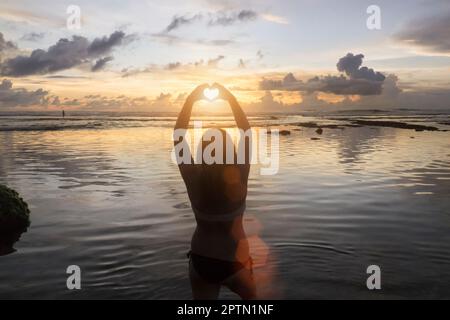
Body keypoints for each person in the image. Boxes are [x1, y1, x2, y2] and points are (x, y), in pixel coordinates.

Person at [174, 83, 256, 299]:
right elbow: (246, 132)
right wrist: (229, 97)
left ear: (202, 152)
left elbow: (179, 135)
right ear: (230, 150)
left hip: (202, 260)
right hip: (235, 262)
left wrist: (192, 98)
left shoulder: (193, 178)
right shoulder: (239, 175)